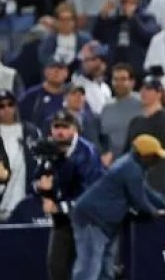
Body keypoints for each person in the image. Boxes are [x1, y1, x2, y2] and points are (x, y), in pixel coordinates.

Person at [70, 134, 165, 280]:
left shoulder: (132, 165)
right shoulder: (130, 168)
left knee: (105, 267)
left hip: (103, 223)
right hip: (92, 219)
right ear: (145, 156)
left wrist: (164, 206)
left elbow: (145, 191)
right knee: (89, 267)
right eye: (155, 157)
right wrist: (153, 212)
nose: (157, 161)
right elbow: (138, 199)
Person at [34, 110, 105, 280]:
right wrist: (41, 187)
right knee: (56, 266)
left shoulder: (87, 153)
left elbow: (90, 194)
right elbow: (36, 180)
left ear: (75, 129)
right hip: (63, 221)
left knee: (86, 270)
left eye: (65, 127)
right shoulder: (48, 149)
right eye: (56, 127)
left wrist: (59, 207)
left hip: (89, 219)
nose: (60, 132)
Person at [125, 77, 165, 212]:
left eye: (149, 89)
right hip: (137, 186)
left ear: (159, 93)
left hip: (160, 187)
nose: (143, 92)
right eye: (142, 88)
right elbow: (126, 154)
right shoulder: (135, 122)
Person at [91, 0, 161, 77]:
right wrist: (102, 18)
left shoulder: (147, 17)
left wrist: (133, 18)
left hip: (137, 70)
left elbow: (148, 36)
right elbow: (98, 36)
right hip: (114, 69)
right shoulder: (114, 19)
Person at [0, 90, 43, 222]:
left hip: (24, 200)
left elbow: (40, 162)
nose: (6, 109)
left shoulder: (31, 131)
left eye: (10, 104)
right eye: (1, 106)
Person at [99, 64, 144, 158]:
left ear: (132, 82)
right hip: (113, 161)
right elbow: (103, 137)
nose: (119, 83)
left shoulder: (143, 104)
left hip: (138, 159)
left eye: (123, 79)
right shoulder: (106, 108)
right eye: (115, 79)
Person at [19, 59, 70, 128]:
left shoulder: (72, 96)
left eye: (60, 68)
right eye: (52, 67)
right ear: (45, 71)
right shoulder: (31, 95)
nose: (56, 71)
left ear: (66, 73)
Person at [71, 42, 112, 114]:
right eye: (93, 59)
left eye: (101, 59)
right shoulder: (78, 84)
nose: (100, 63)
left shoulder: (105, 88)